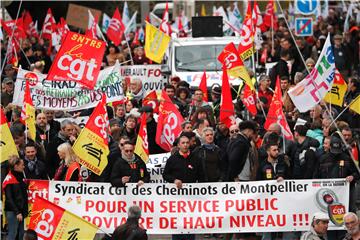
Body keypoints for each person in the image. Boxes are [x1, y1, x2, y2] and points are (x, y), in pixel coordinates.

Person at [3, 156, 28, 240]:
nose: (24, 167)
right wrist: (17, 212)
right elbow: (9, 198)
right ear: (16, 166)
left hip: (21, 210)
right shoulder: (9, 179)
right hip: (13, 211)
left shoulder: (21, 176)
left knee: (22, 234)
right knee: (12, 234)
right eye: (22, 165)